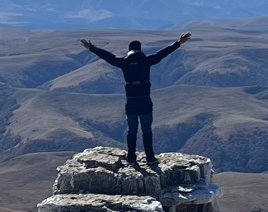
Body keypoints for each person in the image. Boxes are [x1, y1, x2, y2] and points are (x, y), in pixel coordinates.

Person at [79, 33, 192, 166]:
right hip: (145, 100)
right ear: (140, 49)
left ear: (129, 49)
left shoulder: (124, 62)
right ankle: (150, 157)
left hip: (131, 100)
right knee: (147, 129)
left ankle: (131, 158)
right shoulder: (147, 60)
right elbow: (162, 53)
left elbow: (108, 56)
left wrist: (91, 47)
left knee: (131, 129)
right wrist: (178, 43)